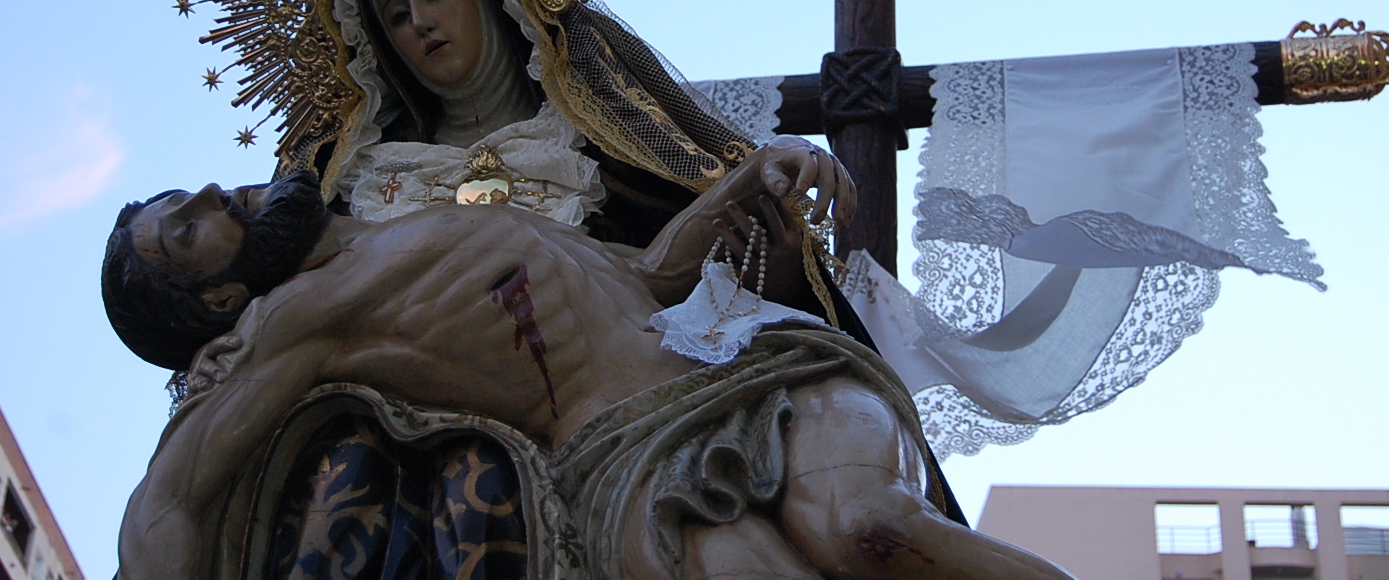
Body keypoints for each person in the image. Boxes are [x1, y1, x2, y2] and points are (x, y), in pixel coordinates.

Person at [106, 166, 1072, 580]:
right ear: (220, 303)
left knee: (868, 528)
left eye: (179, 196)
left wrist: (750, 176)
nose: (209, 191)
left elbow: (648, 273)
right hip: (629, 462)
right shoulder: (300, 320)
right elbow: (170, 501)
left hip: (745, 367)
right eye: (187, 230)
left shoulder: (426, 221)